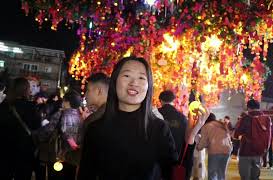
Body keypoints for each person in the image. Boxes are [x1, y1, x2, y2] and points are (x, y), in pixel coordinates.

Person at [78, 56, 209, 180]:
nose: (134, 82)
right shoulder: (96, 129)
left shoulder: (158, 128)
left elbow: (177, 177)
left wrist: (189, 139)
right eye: (127, 75)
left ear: (149, 86)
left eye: (141, 78)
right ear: (115, 81)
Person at [0, 77, 42, 180]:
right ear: (25, 90)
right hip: (24, 151)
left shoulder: (4, 106)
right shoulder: (31, 107)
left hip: (5, 149)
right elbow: (37, 126)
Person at [234, 99, 272, 180]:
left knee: (245, 176)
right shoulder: (267, 119)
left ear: (249, 108)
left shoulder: (246, 118)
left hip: (246, 151)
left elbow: (236, 134)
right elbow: (269, 135)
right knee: (255, 176)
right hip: (260, 151)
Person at [196, 113, 232, 180]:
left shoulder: (206, 126)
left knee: (212, 173)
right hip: (227, 150)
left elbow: (203, 141)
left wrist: (198, 147)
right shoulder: (222, 124)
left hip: (215, 151)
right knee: (221, 172)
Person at [80, 72, 110, 143]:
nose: (85, 95)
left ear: (98, 91)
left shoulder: (93, 122)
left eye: (88, 90)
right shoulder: (118, 112)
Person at [158, 90, 187, 154]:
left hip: (158, 153)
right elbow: (186, 137)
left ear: (160, 100)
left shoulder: (155, 114)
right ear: (174, 100)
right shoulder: (182, 117)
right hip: (177, 153)